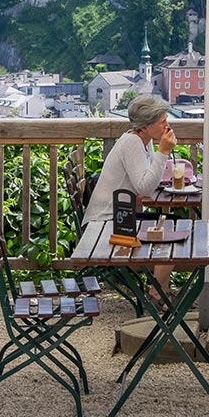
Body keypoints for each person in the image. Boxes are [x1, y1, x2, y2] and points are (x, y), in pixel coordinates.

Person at [83, 94, 177, 305]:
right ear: (144, 126)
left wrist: (159, 153)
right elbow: (145, 186)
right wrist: (164, 150)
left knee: (170, 225)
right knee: (168, 233)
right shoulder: (132, 142)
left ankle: (159, 289)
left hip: (121, 217)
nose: (167, 126)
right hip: (104, 223)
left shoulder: (142, 141)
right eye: (162, 122)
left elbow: (144, 185)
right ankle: (157, 294)